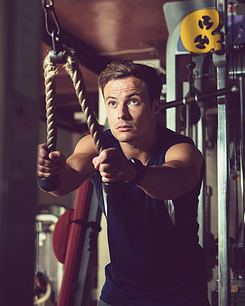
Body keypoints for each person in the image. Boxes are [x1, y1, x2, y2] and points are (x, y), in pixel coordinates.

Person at [37, 60, 209, 306]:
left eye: (133, 101)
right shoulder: (96, 145)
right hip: (120, 294)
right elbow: (66, 180)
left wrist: (132, 172)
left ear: (155, 106)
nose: (121, 114)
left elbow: (176, 181)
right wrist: (48, 173)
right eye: (113, 103)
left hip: (182, 295)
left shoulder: (181, 149)